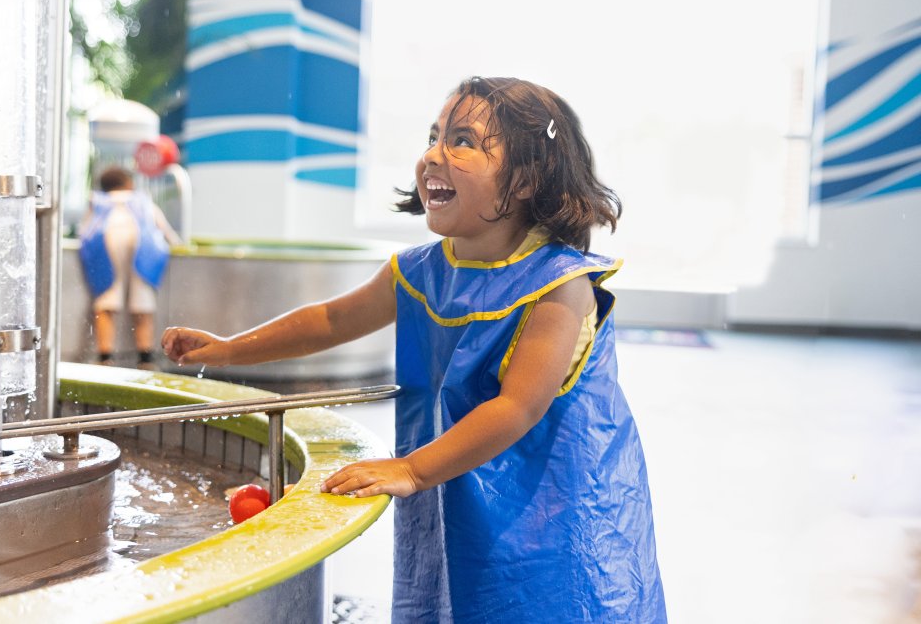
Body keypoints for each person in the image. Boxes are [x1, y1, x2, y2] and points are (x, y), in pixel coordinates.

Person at [162, 76, 666, 622]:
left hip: (552, 503)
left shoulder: (558, 284)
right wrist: (230, 349)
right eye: (433, 136)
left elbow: (518, 407)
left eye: (463, 141)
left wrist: (413, 469)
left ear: (524, 180)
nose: (432, 156)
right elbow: (332, 318)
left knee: (541, 601)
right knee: (456, 590)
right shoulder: (423, 270)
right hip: (459, 477)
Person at [79, 164, 181, 369]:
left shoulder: (97, 202)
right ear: (129, 183)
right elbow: (166, 232)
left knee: (107, 298)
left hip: (106, 241)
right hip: (142, 242)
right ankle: (145, 358)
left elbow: (84, 231)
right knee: (141, 299)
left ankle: (105, 357)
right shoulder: (141, 201)